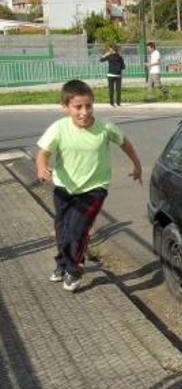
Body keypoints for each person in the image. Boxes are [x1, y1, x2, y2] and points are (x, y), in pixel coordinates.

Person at [34, 79, 143, 292]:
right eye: (78, 107)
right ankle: (62, 264)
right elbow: (43, 153)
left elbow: (125, 143)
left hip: (94, 189)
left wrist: (137, 165)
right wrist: (41, 167)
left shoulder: (105, 127)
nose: (84, 112)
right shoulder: (59, 128)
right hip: (64, 189)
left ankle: (74, 270)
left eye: (89, 106)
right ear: (65, 107)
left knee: (77, 231)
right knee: (62, 230)